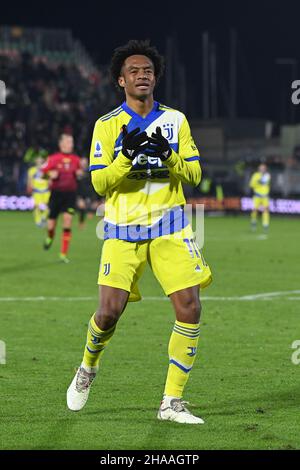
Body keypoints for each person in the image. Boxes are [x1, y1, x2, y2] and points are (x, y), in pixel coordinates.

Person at [67, 40, 212, 424]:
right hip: (122, 228)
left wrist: (168, 155)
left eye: (147, 70)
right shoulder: (107, 124)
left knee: (190, 307)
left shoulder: (176, 121)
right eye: (134, 70)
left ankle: (171, 403)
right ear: (121, 80)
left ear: (155, 77)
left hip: (171, 227)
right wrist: (125, 156)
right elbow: (100, 183)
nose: (142, 74)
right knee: (109, 313)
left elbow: (195, 174)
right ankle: (87, 367)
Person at [41, 134, 82, 263]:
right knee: (51, 225)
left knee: (67, 221)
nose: (71, 144)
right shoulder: (53, 159)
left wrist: (80, 174)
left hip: (70, 195)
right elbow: (42, 173)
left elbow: (80, 173)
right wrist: (49, 174)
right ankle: (50, 236)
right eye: (68, 142)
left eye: (72, 142)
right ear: (61, 144)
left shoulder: (76, 160)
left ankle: (63, 254)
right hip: (56, 194)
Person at [76, 157, 100, 229]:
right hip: (80, 195)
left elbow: (94, 185)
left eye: (85, 163)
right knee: (81, 206)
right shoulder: (77, 172)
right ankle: (81, 223)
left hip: (91, 194)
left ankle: (103, 224)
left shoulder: (90, 172)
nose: (83, 164)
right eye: (82, 163)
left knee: (97, 208)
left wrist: (96, 199)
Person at [27, 156, 50, 227]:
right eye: (38, 160)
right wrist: (29, 187)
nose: (39, 162)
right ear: (36, 162)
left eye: (41, 161)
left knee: (48, 206)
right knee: (37, 206)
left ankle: (43, 217)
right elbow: (30, 180)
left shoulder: (46, 170)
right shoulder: (32, 170)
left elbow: (49, 179)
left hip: (46, 190)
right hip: (37, 191)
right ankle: (38, 221)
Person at [249, 163, 271, 232]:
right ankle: (253, 222)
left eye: (263, 168)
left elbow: (264, 182)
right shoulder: (255, 175)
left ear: (265, 169)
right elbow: (251, 185)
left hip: (265, 196)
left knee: (265, 211)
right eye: (261, 168)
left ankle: (265, 225)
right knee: (254, 210)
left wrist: (260, 182)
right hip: (257, 196)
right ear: (259, 169)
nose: (262, 169)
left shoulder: (267, 175)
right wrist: (257, 182)